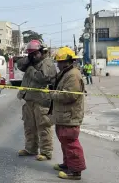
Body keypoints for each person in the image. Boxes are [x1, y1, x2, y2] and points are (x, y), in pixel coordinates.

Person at [49, 46, 86, 180]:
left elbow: (70, 96)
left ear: (68, 61)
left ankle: (75, 171)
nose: (58, 65)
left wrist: (53, 94)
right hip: (64, 115)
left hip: (70, 115)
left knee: (70, 142)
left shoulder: (73, 75)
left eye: (60, 62)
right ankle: (67, 164)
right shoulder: (66, 73)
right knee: (64, 141)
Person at [16, 40, 57, 161]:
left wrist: (30, 69)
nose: (33, 56)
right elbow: (19, 65)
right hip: (29, 100)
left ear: (41, 51)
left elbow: (43, 78)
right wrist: (28, 59)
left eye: (35, 54)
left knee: (43, 126)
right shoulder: (32, 61)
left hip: (41, 101)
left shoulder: (47, 62)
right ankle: (31, 148)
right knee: (29, 126)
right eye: (31, 54)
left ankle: (46, 152)